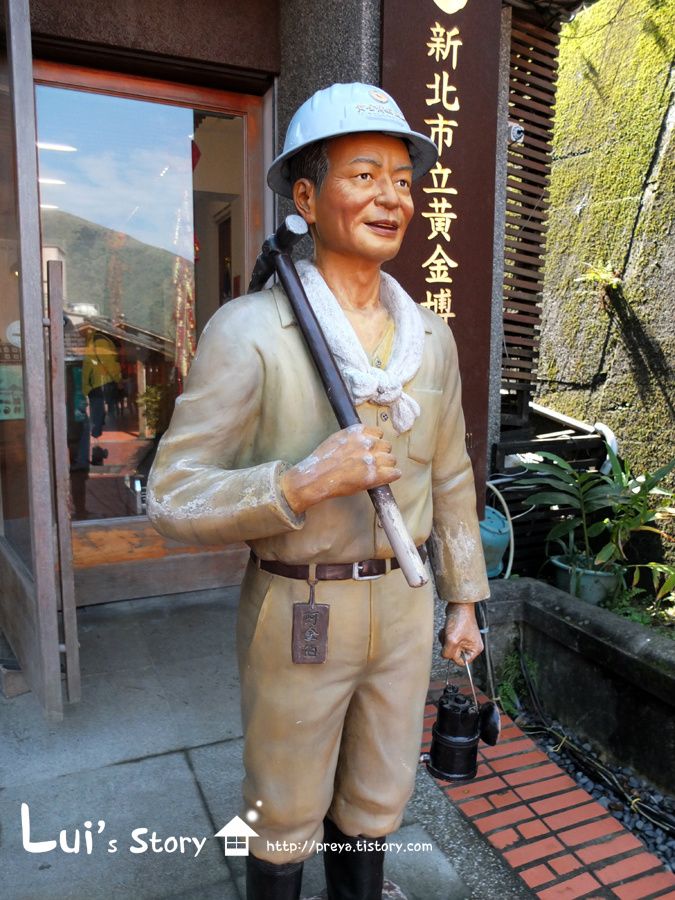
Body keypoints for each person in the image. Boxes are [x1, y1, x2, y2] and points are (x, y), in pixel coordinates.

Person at [147, 83, 489, 900]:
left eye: (401, 180)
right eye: (364, 176)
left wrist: (464, 602)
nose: (391, 198)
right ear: (305, 198)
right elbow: (172, 495)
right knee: (284, 805)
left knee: (377, 798)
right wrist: (299, 483)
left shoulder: (429, 339)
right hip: (300, 608)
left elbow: (449, 475)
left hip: (402, 610)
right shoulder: (251, 332)